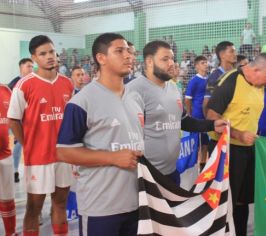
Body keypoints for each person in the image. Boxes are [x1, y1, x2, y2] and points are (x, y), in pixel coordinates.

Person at [56, 33, 143, 236]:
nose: (129, 56)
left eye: (129, 51)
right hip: (100, 207)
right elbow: (64, 152)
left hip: (137, 203)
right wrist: (113, 157)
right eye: (119, 51)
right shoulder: (82, 102)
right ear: (101, 58)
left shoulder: (135, 97)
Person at [127, 40, 226, 184]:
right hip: (146, 176)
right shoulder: (133, 91)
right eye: (165, 59)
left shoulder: (173, 88)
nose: (171, 63)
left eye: (172, 58)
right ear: (149, 61)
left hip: (172, 172)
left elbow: (183, 121)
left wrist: (212, 125)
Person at [206, 53, 266, 236]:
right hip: (226, 149)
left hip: (248, 148)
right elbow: (211, 119)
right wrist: (239, 134)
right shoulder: (229, 83)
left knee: (242, 199)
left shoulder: (259, 84)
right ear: (255, 69)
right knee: (225, 199)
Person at [7, 35, 73, 236]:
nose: (49, 57)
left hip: (64, 156)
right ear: (34, 58)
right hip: (38, 158)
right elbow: (13, 120)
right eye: (43, 54)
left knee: (60, 203)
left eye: (52, 52)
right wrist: (28, 145)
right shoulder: (24, 85)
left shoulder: (67, 84)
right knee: (33, 208)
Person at [8, 58, 33, 183]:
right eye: (28, 66)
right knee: (18, 144)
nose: (31, 69)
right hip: (17, 120)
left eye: (32, 66)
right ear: (21, 67)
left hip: (30, 120)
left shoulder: (33, 82)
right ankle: (14, 170)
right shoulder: (14, 84)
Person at [185, 55, 209, 170]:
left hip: (207, 116)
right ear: (196, 66)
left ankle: (203, 165)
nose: (206, 65)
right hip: (197, 116)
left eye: (206, 62)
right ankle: (192, 166)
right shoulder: (194, 81)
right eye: (203, 63)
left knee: (205, 143)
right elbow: (187, 99)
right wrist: (190, 114)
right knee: (196, 143)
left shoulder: (209, 80)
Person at [203, 41, 237, 115]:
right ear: (222, 55)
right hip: (224, 122)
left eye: (235, 51)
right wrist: (210, 123)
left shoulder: (238, 74)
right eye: (232, 51)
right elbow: (206, 102)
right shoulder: (214, 77)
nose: (235, 54)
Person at [0, 83, 16, 236]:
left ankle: (10, 233)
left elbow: (15, 117)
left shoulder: (5, 90)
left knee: (8, 198)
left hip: (5, 155)